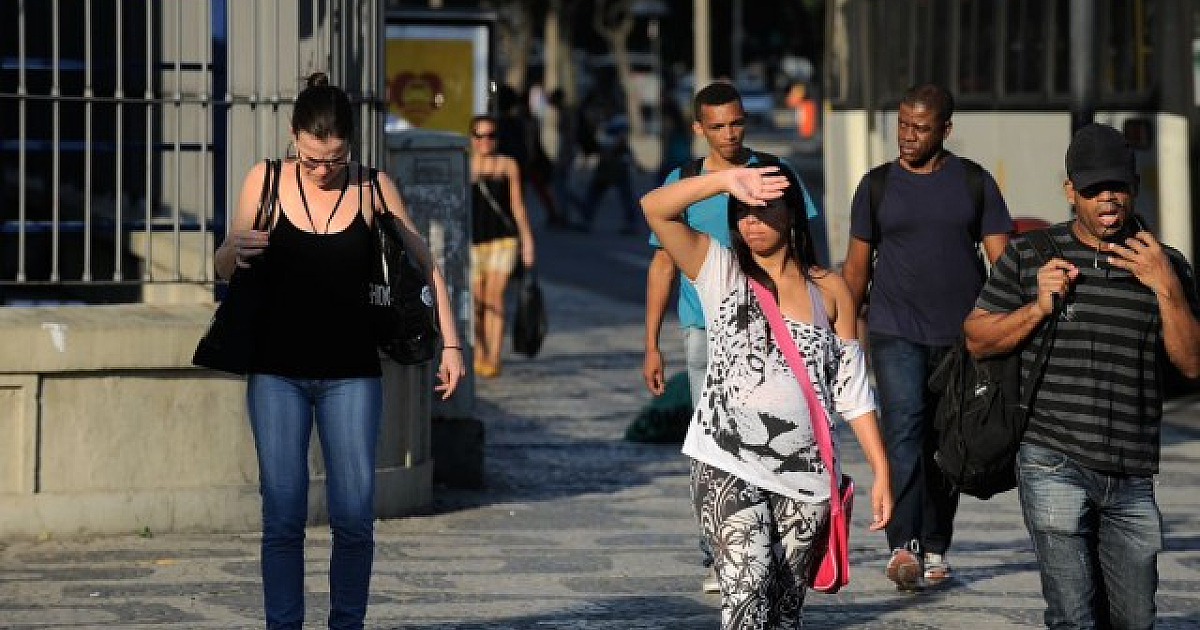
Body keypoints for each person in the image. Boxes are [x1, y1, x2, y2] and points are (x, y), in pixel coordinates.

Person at [215, 72, 465, 630]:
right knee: (282, 514)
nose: (323, 170)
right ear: (293, 137)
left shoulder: (373, 187)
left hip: (353, 375)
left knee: (354, 517)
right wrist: (239, 248)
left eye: (334, 158)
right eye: (311, 159)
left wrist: (451, 343)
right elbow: (223, 264)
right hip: (277, 372)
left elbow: (423, 263)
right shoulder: (267, 179)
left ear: (350, 145)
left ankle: (345, 624)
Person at [964, 123, 1200, 629]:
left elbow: (1191, 363)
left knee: (1136, 619)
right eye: (1093, 189)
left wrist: (1166, 288)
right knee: (1073, 617)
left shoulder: (1167, 264)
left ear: (1134, 186)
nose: (1107, 199)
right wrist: (1036, 308)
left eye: (1116, 186)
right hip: (1053, 461)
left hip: (1132, 471)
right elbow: (977, 338)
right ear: (1070, 191)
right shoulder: (1031, 256)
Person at [642, 164, 892, 628]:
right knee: (747, 587)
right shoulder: (720, 270)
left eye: (763, 210)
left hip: (808, 477)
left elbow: (852, 390)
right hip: (725, 461)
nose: (750, 222)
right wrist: (723, 182)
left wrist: (881, 469)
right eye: (742, 213)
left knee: (783, 609)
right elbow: (654, 209)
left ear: (793, 214)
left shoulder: (830, 291)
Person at [642, 81, 820, 593]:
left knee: (773, 432)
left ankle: (765, 534)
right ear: (699, 129)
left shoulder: (774, 174)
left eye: (736, 123)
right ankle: (719, 550)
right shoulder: (685, 182)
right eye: (716, 126)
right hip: (704, 330)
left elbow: (806, 246)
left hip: (773, 326)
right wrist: (651, 342)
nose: (728, 133)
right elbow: (661, 265)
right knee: (716, 443)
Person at [840, 83, 1013, 590]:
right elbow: (854, 272)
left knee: (944, 441)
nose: (908, 137)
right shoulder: (876, 186)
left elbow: (1003, 266)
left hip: (961, 339)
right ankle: (903, 544)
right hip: (894, 330)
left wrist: (1005, 327)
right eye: (902, 125)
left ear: (945, 129)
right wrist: (846, 339)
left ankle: (936, 543)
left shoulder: (974, 183)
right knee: (904, 432)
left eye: (920, 128)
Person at [469, 114, 536, 378]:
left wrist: (527, 241)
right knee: (476, 301)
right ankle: (479, 351)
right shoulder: (466, 166)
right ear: (472, 139)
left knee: (495, 297)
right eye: (480, 136)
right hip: (473, 242)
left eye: (491, 136)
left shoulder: (508, 165)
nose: (486, 141)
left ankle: (494, 357)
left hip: (503, 240)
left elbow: (517, 206)